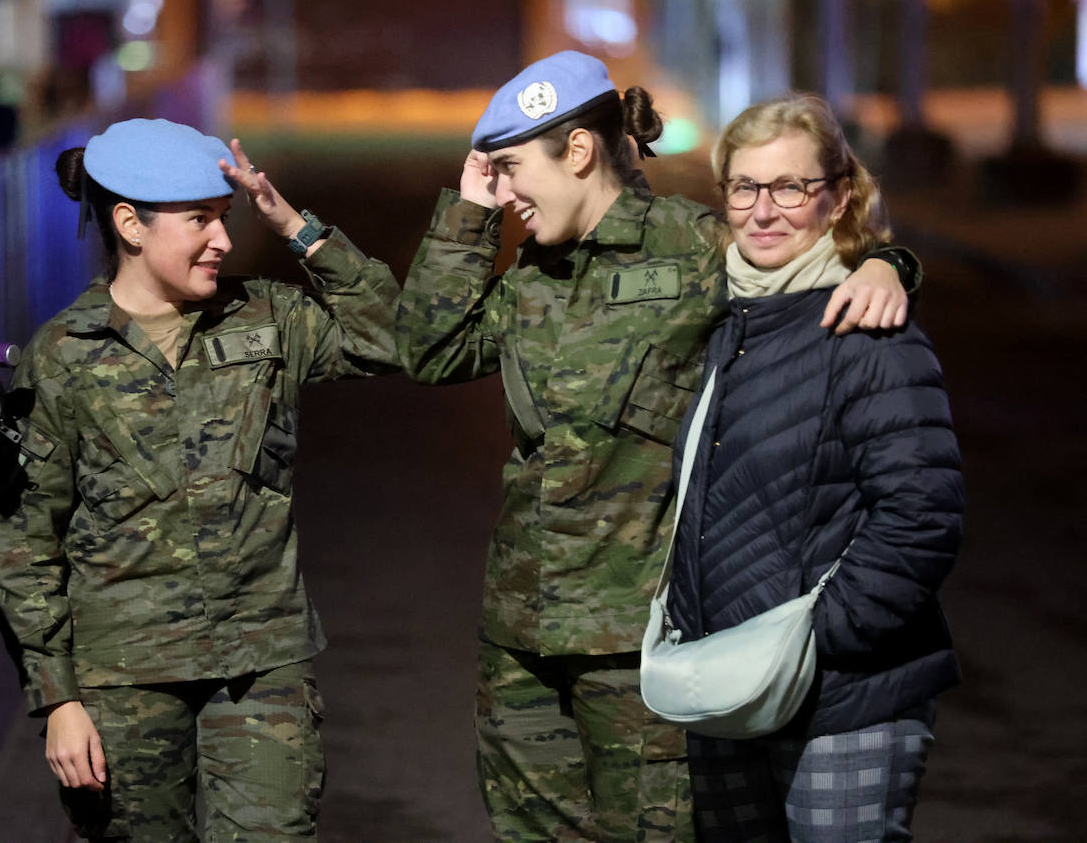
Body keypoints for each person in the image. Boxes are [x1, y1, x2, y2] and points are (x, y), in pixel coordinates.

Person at [396, 51, 920, 841]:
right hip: (521, 638)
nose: (503, 194)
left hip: (640, 648)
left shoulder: (694, 249)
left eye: (507, 169)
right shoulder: (533, 273)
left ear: (578, 152)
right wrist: (469, 212)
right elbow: (431, 351)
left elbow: (814, 262)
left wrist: (889, 264)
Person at [0, 118, 401, 842]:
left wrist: (296, 225)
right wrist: (57, 700)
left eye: (226, 217)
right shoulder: (62, 356)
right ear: (130, 225)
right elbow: (25, 539)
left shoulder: (268, 316)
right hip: (122, 679)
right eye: (199, 221)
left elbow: (394, 338)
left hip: (259, 663)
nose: (225, 240)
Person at [666, 93, 961, 841]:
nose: (765, 210)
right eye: (745, 187)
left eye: (790, 188)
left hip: (842, 697)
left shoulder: (869, 331)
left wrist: (817, 641)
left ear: (833, 200)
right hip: (728, 689)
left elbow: (921, 517)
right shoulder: (719, 320)